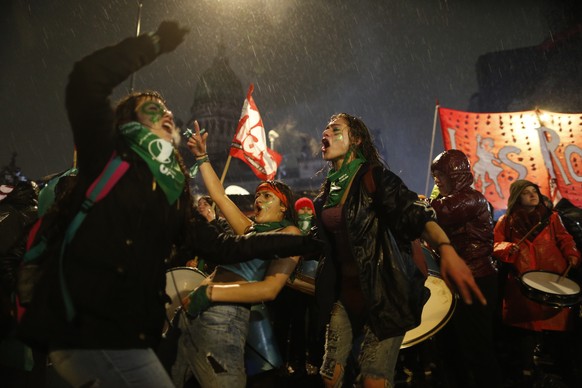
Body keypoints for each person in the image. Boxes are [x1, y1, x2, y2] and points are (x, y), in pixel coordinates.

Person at [16, 22, 320, 388]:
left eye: (166, 111)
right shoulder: (107, 154)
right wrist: (153, 43)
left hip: (129, 333)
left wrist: (299, 242)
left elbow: (223, 246)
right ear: (128, 123)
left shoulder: (172, 192)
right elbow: (84, 78)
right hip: (85, 324)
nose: (165, 113)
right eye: (151, 108)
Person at [314, 113, 486, 388]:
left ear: (356, 139)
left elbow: (413, 212)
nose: (326, 133)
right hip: (346, 295)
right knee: (329, 374)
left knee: (373, 379)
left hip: (385, 292)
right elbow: (318, 244)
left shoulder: (375, 179)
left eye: (335, 129)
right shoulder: (325, 194)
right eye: (325, 129)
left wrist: (446, 248)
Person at [171, 120, 304, 388]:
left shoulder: (291, 236)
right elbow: (219, 196)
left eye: (267, 197)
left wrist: (209, 293)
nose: (258, 200)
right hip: (192, 316)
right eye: (257, 195)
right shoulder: (249, 231)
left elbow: (269, 289)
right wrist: (202, 156)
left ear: (283, 209)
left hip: (224, 318)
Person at [493, 179, 580, 384]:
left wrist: (572, 254)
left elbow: (565, 239)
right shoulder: (506, 221)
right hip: (522, 282)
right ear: (516, 197)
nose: (533, 195)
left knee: (556, 329)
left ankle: (561, 370)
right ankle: (528, 372)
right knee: (526, 330)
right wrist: (506, 248)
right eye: (526, 192)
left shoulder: (552, 218)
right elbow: (495, 244)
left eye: (535, 191)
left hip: (553, 278)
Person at [429, 149, 502, 387]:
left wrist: (421, 204)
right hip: (454, 280)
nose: (437, 180)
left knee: (477, 347)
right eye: (435, 175)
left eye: (441, 174)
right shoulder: (449, 199)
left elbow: (440, 213)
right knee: (450, 347)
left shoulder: (472, 198)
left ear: (456, 175)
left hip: (476, 279)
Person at [270, 197, 324, 379]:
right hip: (289, 288)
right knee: (286, 325)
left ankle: (308, 362)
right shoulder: (289, 231)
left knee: (311, 326)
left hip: (311, 288)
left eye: (309, 210)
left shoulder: (319, 232)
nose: (306, 214)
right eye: (302, 210)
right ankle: (284, 362)